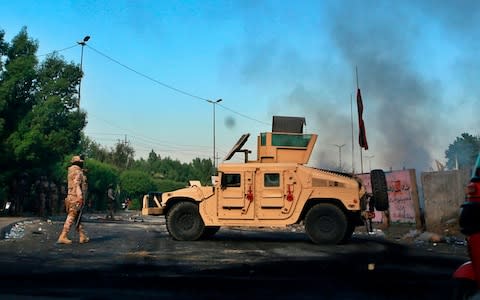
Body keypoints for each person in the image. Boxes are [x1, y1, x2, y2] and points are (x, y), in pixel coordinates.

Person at [57, 155, 89, 244]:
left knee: (77, 216)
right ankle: (63, 235)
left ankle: (82, 236)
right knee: (72, 216)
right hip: (76, 196)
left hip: (71, 195)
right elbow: (76, 183)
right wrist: (80, 196)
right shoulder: (77, 171)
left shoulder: (71, 171)